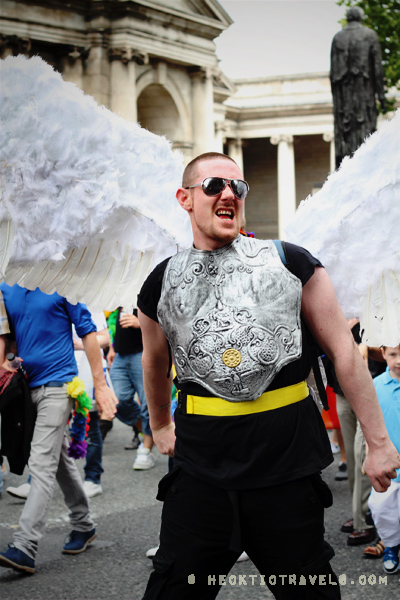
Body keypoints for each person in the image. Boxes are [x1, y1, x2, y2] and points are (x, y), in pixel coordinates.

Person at [136, 152, 400, 600]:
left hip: (286, 469)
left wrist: (378, 443)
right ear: (184, 198)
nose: (228, 194)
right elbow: (153, 360)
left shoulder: (291, 262)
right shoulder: (161, 281)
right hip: (200, 473)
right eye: (215, 185)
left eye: (237, 188)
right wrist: (160, 423)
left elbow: (344, 353)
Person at [0, 284, 117, 575]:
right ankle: (84, 524)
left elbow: (89, 332)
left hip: (60, 385)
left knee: (40, 463)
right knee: (58, 459)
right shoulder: (7, 286)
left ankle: (25, 545)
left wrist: (100, 386)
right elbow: (10, 338)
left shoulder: (63, 283)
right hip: (25, 388)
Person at [330, 7, 386, 169]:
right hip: (364, 93)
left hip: (343, 98)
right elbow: (377, 68)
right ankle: (365, 163)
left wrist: (336, 100)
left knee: (345, 132)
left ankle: (346, 164)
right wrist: (381, 96)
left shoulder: (338, 38)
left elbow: (333, 73)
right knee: (365, 128)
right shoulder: (369, 35)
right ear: (360, 17)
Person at [106, 307, 155, 470]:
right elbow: (115, 324)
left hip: (142, 353)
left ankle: (146, 450)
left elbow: (163, 322)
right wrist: (113, 348)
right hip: (120, 356)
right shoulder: (121, 291)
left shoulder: (146, 289)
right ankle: (151, 431)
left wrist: (140, 323)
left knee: (147, 404)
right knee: (117, 402)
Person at [368, 344, 400, 574]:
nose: (398, 360)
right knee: (382, 508)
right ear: (383, 354)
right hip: (390, 465)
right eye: (393, 354)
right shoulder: (376, 386)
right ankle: (391, 544)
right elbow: (368, 424)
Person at [74, 311, 111, 498]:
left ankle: (92, 478)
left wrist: (80, 345)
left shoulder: (88, 302)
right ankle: (35, 482)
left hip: (86, 373)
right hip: (57, 372)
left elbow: (105, 337)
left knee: (90, 425)